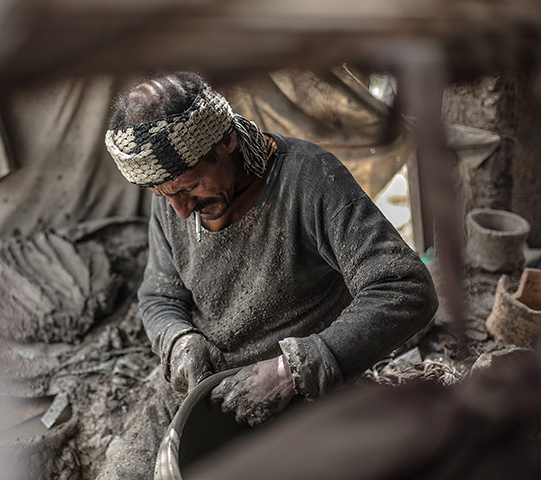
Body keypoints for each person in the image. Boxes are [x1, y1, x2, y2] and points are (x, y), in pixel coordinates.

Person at [97, 72, 437, 479]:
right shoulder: (173, 194)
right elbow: (159, 296)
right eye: (163, 195)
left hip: (306, 395)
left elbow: (406, 287)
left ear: (227, 141)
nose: (181, 211)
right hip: (202, 390)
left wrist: (294, 369)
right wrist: (179, 341)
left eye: (191, 187)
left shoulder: (309, 180)